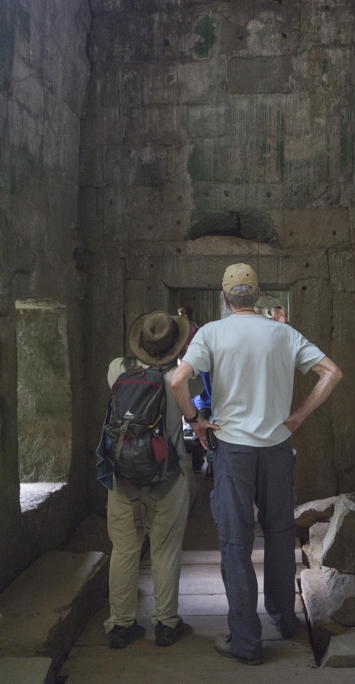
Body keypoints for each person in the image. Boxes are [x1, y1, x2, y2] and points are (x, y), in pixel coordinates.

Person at [170, 263, 342, 665]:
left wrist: (196, 422)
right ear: (258, 294)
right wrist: (299, 415)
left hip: (233, 452)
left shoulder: (212, 332)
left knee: (235, 542)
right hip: (277, 450)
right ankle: (284, 619)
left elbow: (177, 381)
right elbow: (332, 373)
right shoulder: (284, 333)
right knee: (280, 534)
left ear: (226, 297)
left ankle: (246, 641)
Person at [96, 310, 200, 650]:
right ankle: (166, 623)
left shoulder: (116, 369)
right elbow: (191, 400)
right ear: (175, 345)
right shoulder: (181, 377)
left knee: (124, 549)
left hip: (123, 474)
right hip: (166, 476)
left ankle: (120, 625)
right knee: (165, 549)